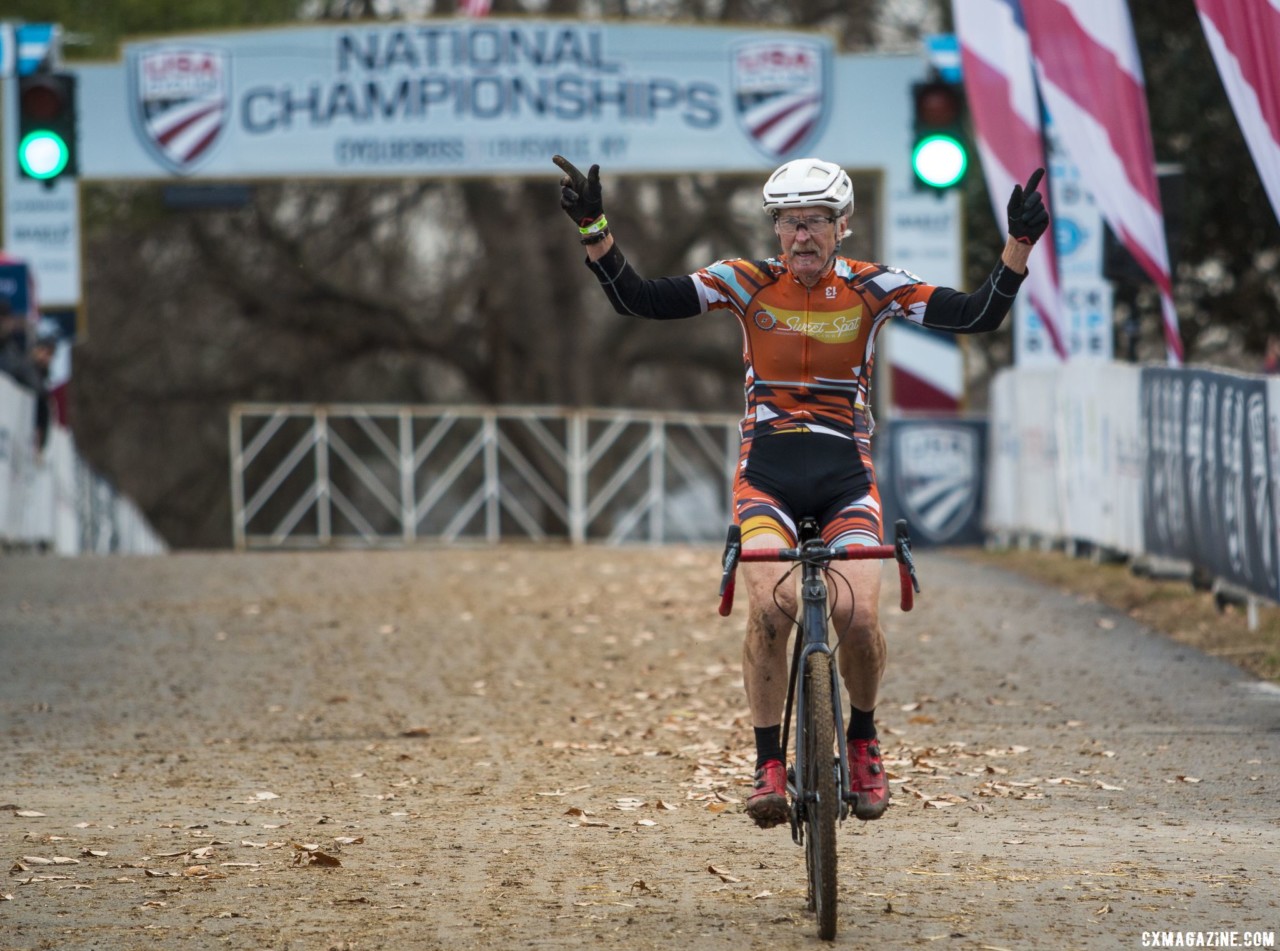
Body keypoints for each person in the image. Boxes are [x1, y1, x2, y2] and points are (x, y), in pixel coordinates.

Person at [552, 154, 1048, 827]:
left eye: (815, 222)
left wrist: (1017, 247)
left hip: (846, 478)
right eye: (789, 223)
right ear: (775, 230)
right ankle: (768, 759)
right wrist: (595, 229)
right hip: (768, 478)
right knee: (772, 610)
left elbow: (977, 315)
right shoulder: (743, 282)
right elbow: (640, 298)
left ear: (843, 226)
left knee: (863, 620)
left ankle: (864, 737)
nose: (802, 235)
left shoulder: (875, 287)